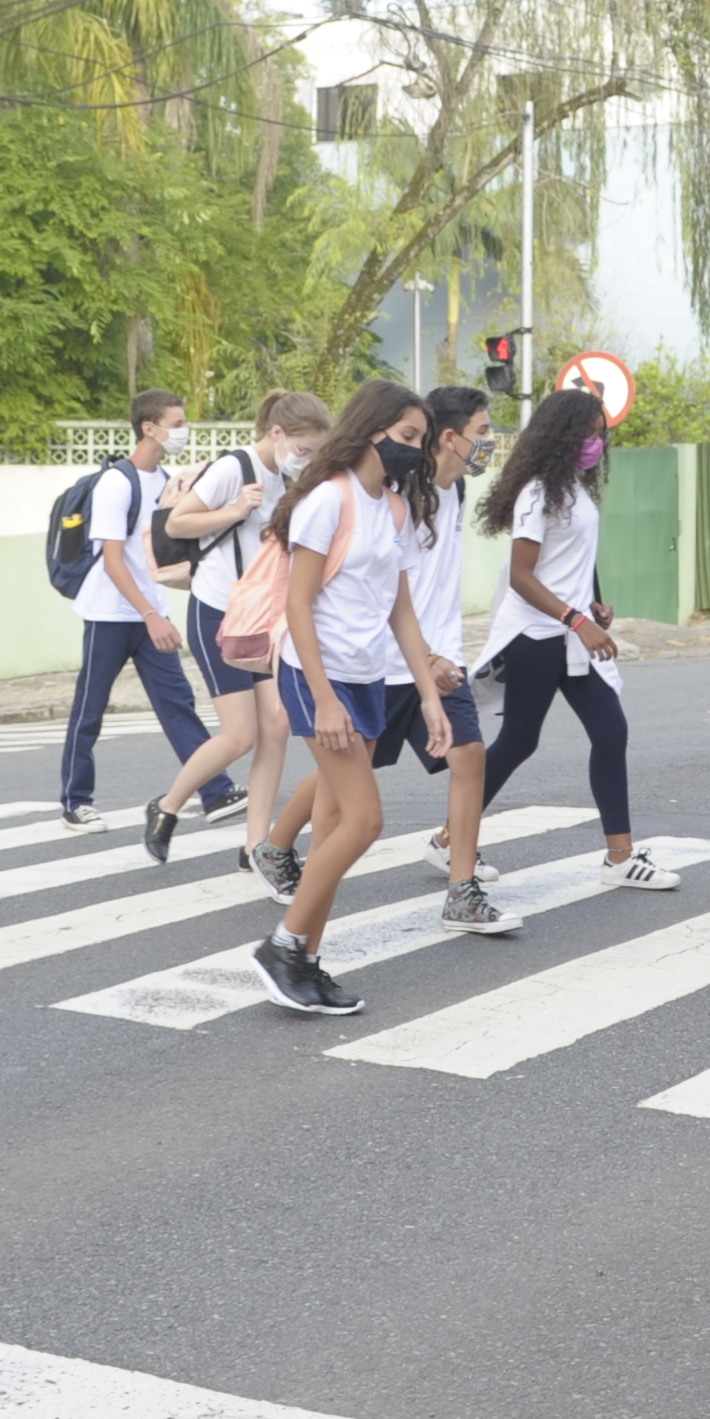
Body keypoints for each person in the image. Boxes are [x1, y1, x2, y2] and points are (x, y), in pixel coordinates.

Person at [249, 382, 451, 1015]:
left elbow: (402, 615)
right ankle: (281, 948)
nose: (414, 452)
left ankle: (305, 960)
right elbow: (297, 604)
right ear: (373, 430)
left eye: (420, 441)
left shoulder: (391, 509)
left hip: (367, 678)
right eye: (408, 438)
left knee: (335, 825)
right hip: (320, 675)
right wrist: (322, 697)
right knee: (365, 820)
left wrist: (429, 698)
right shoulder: (327, 500)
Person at [476, 385, 680, 893]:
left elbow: (572, 563)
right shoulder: (537, 493)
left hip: (569, 631)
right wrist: (575, 619)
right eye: (587, 435)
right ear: (561, 436)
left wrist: (593, 604)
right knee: (519, 741)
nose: (596, 444)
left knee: (611, 733)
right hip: (536, 634)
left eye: (600, 435)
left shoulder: (576, 488)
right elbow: (524, 576)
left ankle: (620, 858)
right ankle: (448, 838)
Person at [141, 393, 326, 865]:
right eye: (302, 449)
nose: (303, 460)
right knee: (241, 734)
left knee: (277, 726)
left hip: (265, 614)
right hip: (217, 610)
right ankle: (166, 806)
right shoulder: (234, 468)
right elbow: (179, 524)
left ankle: (255, 844)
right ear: (277, 433)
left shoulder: (288, 478)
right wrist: (235, 511)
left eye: (312, 453)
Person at [58, 390, 236, 832]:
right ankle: (75, 801)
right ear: (149, 428)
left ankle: (215, 793)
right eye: (176, 423)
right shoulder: (117, 483)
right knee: (91, 707)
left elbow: (158, 558)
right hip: (109, 614)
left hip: (149, 613)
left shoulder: (166, 482)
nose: (183, 430)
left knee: (178, 703)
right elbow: (114, 561)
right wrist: (150, 615)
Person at [372, 385, 513, 934]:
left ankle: (461, 890)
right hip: (389, 659)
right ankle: (278, 846)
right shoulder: (401, 495)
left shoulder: (453, 495)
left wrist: (441, 653)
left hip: (438, 661)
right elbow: (386, 588)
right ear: (449, 437)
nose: (488, 444)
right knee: (352, 773)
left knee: (470, 755)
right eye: (481, 433)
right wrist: (422, 653)